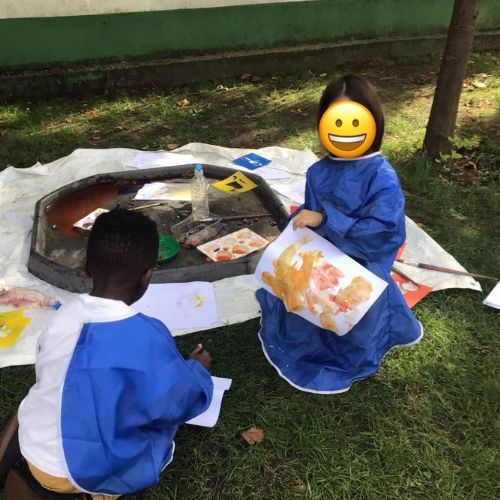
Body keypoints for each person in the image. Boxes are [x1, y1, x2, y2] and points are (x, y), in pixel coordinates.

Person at [18, 209, 213, 498]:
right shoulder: (147, 335)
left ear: (87, 266)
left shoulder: (62, 318)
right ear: (147, 276)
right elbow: (174, 401)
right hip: (79, 471)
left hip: (34, 449)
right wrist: (197, 370)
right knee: (152, 433)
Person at [256, 75, 422, 394]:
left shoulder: (381, 176)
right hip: (322, 262)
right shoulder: (318, 171)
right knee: (299, 306)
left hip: (362, 267)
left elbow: (384, 232)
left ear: (372, 121)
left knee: (350, 326)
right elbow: (310, 217)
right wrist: (296, 232)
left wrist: (326, 219)